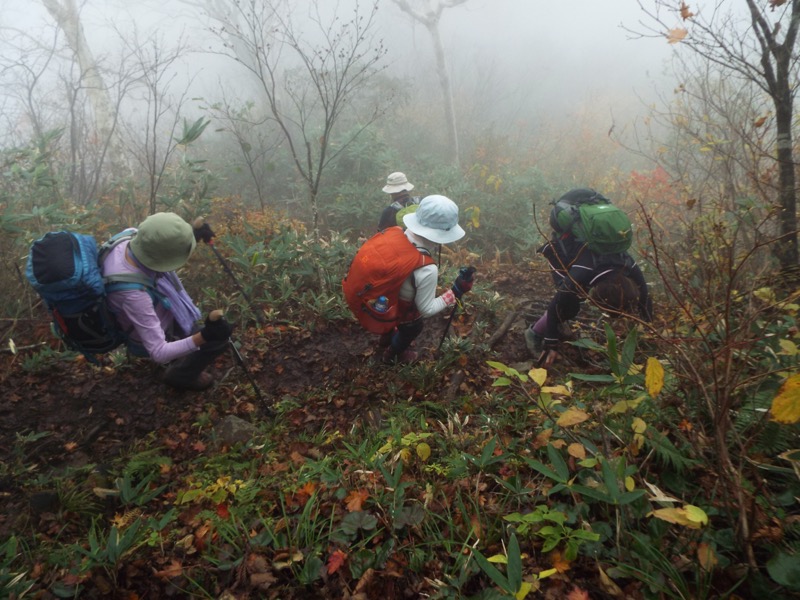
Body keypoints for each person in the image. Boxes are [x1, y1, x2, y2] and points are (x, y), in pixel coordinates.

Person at [102, 212, 234, 391]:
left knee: (205, 333)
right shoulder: (133, 293)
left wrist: (188, 237)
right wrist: (206, 336)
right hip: (149, 329)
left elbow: (161, 246)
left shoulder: (132, 236)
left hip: (155, 304)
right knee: (217, 340)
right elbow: (159, 352)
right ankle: (181, 376)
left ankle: (184, 354)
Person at [525, 188, 652, 367]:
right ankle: (534, 333)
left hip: (583, 254)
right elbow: (556, 303)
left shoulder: (625, 262)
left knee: (571, 298)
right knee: (569, 305)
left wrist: (648, 326)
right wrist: (551, 344)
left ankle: (557, 325)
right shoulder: (586, 269)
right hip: (559, 255)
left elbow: (644, 292)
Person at [382, 194, 475, 364]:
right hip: (403, 310)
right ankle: (393, 353)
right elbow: (426, 309)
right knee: (412, 329)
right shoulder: (426, 268)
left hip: (383, 297)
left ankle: (387, 334)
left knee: (392, 322)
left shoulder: (397, 233)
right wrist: (456, 291)